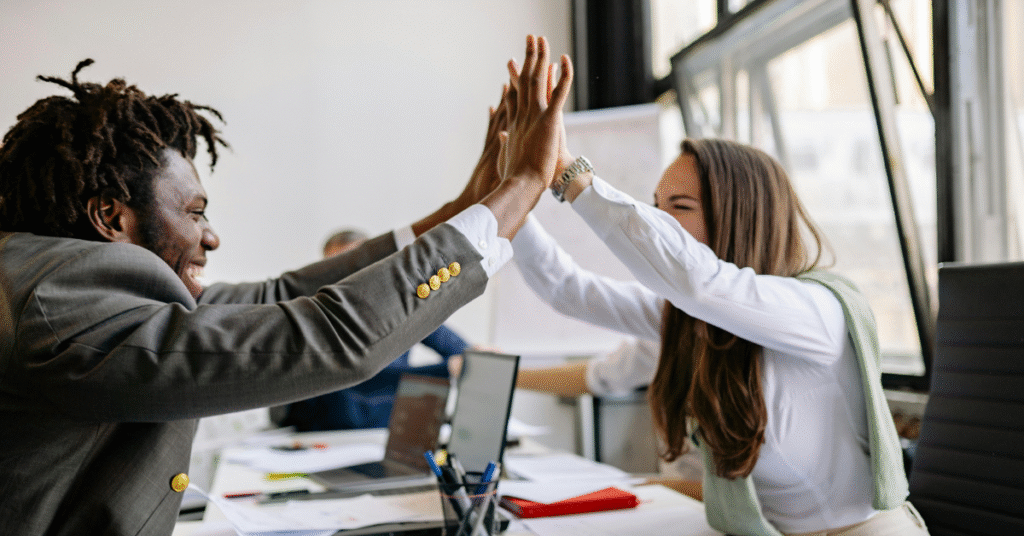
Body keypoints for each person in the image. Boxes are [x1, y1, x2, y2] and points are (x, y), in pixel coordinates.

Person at [0, 35, 572, 536]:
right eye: (195, 213)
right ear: (112, 217)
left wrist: (460, 211)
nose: (211, 237)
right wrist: (521, 184)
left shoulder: (60, 281)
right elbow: (330, 337)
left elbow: (277, 297)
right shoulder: (60, 306)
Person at [512, 136, 929, 535]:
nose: (660, 222)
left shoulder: (814, 310)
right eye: (656, 207)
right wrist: (513, 193)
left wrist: (569, 173)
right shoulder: (689, 316)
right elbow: (567, 290)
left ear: (741, 217)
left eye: (681, 206)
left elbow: (698, 281)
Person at [274, 228, 470, 431]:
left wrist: (473, 357)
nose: (345, 278)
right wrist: (444, 370)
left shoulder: (401, 304)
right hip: (327, 429)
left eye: (353, 266)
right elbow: (367, 374)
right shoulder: (318, 316)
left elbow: (457, 347)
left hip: (384, 428)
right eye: (334, 269)